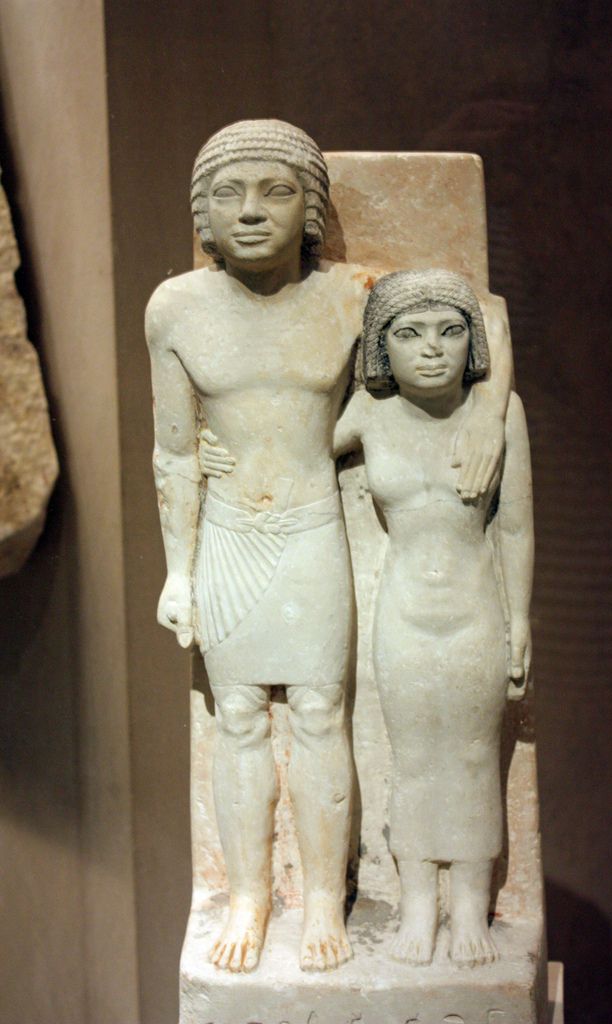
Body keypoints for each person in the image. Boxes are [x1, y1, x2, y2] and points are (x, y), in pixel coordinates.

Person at [147, 120, 513, 974]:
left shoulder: (352, 295)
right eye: (228, 194)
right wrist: (177, 571)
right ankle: (248, 895)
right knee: (238, 718)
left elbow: (483, 312)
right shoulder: (176, 308)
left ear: (310, 208)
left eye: (274, 191)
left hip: (311, 526)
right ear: (202, 213)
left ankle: (319, 897)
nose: (250, 212)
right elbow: (173, 451)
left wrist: (490, 414)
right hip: (228, 532)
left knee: (318, 714)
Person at [332, 270, 534, 967]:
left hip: (476, 612)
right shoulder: (368, 413)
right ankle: (418, 902)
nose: (431, 349)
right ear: (379, 346)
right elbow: (293, 444)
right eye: (408, 333)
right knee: (414, 759)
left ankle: (470, 903)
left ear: (471, 342)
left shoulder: (498, 416)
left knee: (475, 757)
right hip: (404, 614)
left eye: (450, 331)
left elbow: (515, 528)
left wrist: (520, 621)